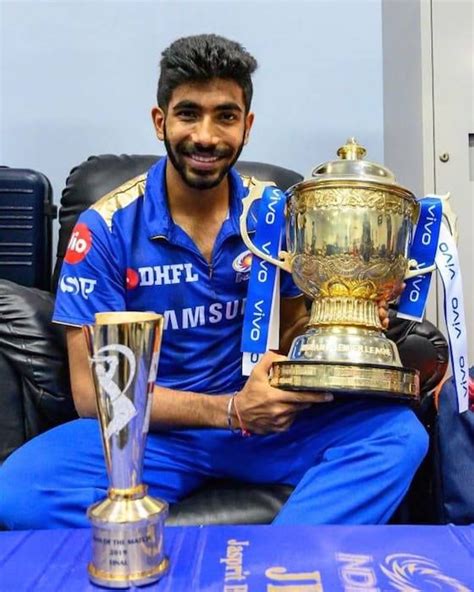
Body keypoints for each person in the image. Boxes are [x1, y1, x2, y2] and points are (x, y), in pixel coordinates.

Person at [0, 34, 428, 529]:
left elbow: (288, 335)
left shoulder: (275, 214)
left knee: (399, 436)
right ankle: (183, 570)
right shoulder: (105, 227)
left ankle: (280, 564)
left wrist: (346, 319)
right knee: (18, 490)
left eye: (225, 116)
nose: (206, 136)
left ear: (246, 126)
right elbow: (90, 391)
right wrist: (228, 410)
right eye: (188, 114)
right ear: (160, 121)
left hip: (269, 422)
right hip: (152, 430)